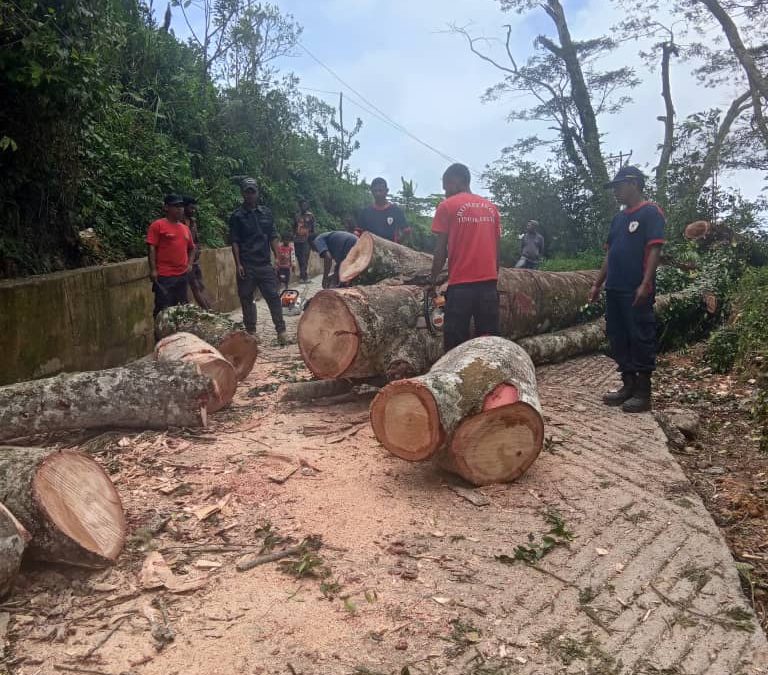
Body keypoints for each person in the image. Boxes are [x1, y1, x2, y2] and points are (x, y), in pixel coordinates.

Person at [588, 166, 665, 413]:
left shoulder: (650, 212)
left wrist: (645, 283)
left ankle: (643, 392)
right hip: (614, 288)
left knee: (640, 336)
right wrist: (597, 284)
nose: (615, 192)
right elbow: (610, 253)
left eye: (618, 186)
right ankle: (628, 385)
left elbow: (654, 249)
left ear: (633, 183)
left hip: (636, 289)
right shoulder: (619, 219)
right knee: (618, 336)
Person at [429, 163, 501, 351]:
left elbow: (440, 251)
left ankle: (455, 379)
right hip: (489, 286)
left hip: (461, 287)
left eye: (446, 187)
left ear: (456, 182)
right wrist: (494, 279)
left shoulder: (446, 207)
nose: (445, 193)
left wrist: (433, 280)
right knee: (490, 342)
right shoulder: (491, 208)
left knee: (455, 344)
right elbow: (496, 249)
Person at [229, 178, 287, 344]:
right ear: (243, 193)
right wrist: (238, 263)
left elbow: (273, 237)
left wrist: (277, 257)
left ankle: (281, 331)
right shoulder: (237, 216)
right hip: (247, 265)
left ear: (257, 193)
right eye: (247, 191)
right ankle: (251, 332)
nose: (250, 195)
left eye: (252, 191)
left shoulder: (267, 213)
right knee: (246, 298)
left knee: (273, 297)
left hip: (264, 264)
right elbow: (235, 241)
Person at [146, 194, 194, 319]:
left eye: (181, 206)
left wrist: (189, 264)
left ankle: (178, 338)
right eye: (176, 206)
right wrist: (153, 270)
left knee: (182, 312)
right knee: (163, 312)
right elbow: (151, 247)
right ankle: (161, 338)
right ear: (166, 207)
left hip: (182, 276)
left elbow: (192, 248)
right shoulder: (158, 225)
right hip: (165, 277)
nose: (180, 209)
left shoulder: (185, 229)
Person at [182, 196, 213, 309]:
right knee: (194, 287)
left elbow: (196, 241)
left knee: (200, 286)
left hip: (194, 260)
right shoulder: (178, 223)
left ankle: (210, 311)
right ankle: (209, 313)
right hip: (183, 262)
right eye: (191, 208)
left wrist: (197, 250)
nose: (193, 211)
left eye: (194, 208)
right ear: (184, 207)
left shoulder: (193, 222)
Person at [358, 177, 407, 242]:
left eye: (380, 190)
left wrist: (398, 244)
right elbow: (358, 231)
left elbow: (406, 230)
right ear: (372, 191)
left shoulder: (396, 211)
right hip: (369, 249)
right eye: (375, 191)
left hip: (390, 250)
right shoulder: (365, 212)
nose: (378, 193)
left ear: (386, 191)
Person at [293, 198, 315, 282]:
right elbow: (294, 226)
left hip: (307, 239)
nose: (303, 206)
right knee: (299, 257)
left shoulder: (310, 216)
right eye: (302, 205)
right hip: (297, 240)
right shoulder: (296, 216)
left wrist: (312, 240)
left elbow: (313, 229)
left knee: (305, 258)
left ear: (307, 205)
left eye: (305, 204)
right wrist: (293, 236)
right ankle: (303, 275)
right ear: (300, 206)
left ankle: (303, 276)